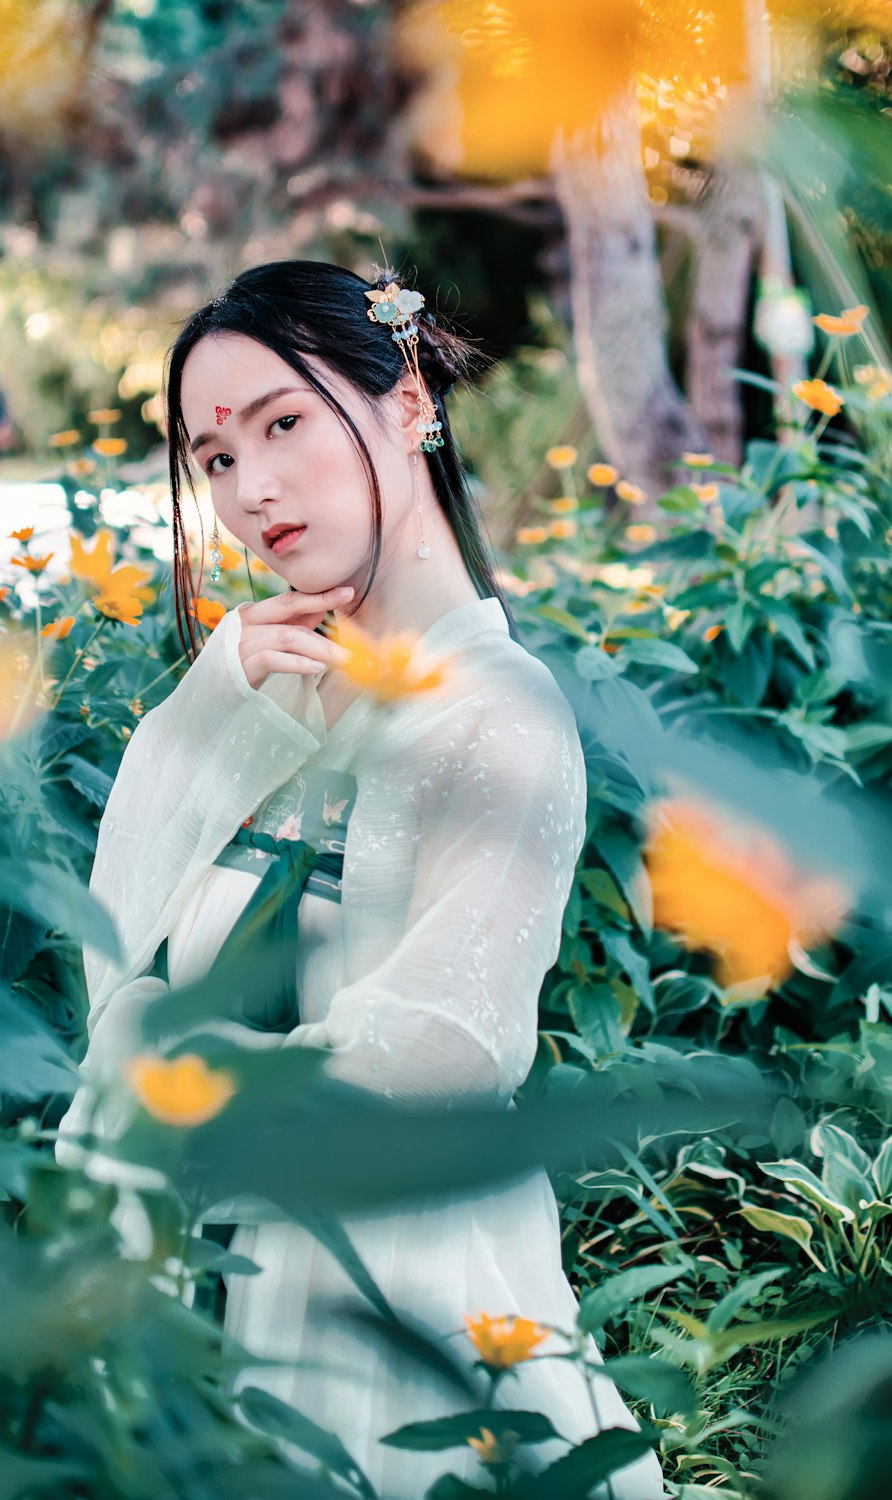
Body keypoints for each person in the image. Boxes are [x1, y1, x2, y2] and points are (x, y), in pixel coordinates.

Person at [55, 260, 665, 1498]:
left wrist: (171, 1093)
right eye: (213, 457)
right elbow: (115, 959)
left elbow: (440, 1053)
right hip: (187, 1294)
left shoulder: (501, 719)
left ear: (405, 403)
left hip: (392, 1319)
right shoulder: (259, 685)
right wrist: (207, 708)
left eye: (282, 422)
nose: (248, 491)